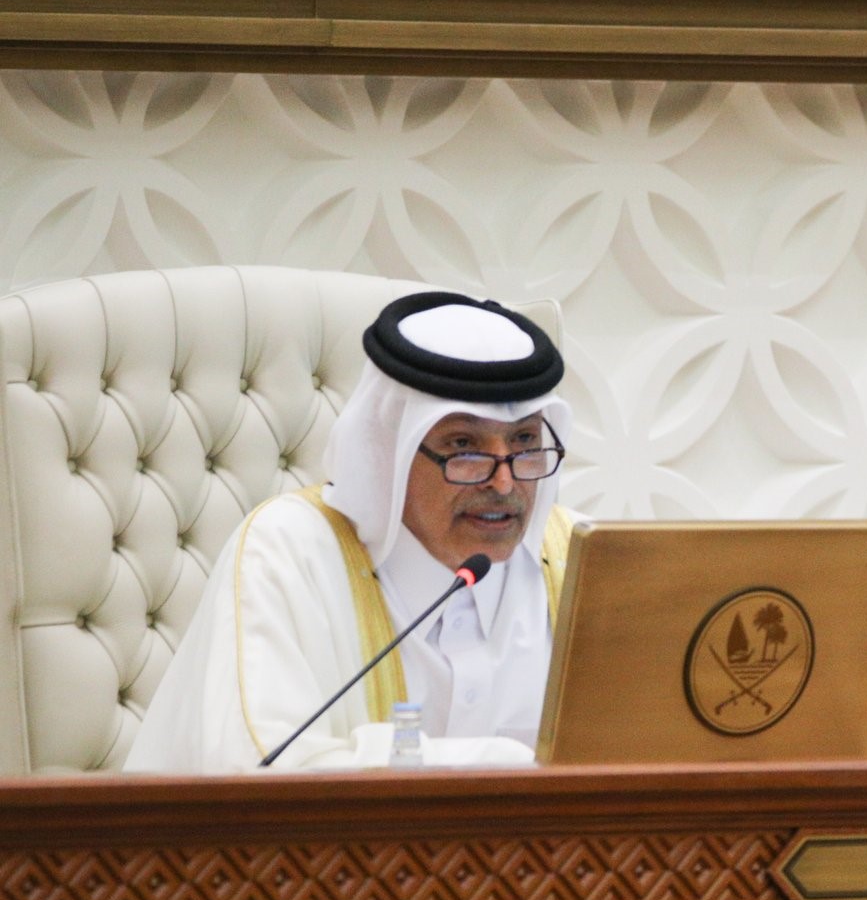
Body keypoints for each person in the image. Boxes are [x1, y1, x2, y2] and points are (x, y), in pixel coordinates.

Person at [123, 292, 576, 773]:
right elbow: (258, 772)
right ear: (391, 451)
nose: (504, 482)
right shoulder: (286, 554)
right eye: (464, 446)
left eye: (524, 442)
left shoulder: (575, 558)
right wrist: (513, 763)